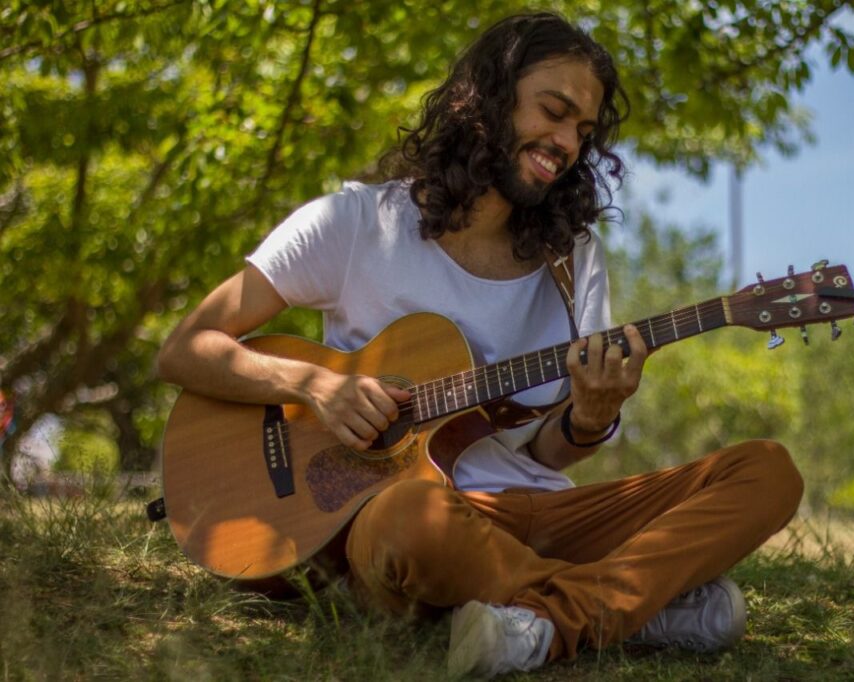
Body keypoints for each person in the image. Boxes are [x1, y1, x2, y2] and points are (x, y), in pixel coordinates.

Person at [157, 12, 803, 678]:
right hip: (411, 518)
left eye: (583, 132)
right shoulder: (355, 224)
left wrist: (592, 414)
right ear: (489, 97)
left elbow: (553, 448)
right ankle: (641, 608)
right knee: (411, 523)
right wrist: (315, 386)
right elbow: (186, 348)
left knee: (767, 472)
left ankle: (546, 622)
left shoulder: (574, 258)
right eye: (552, 113)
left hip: (540, 511)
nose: (565, 144)